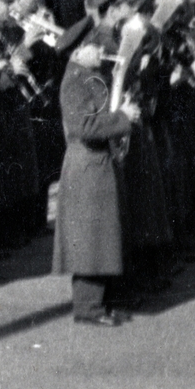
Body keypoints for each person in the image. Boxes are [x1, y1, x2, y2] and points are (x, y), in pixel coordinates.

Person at [51, 31, 136, 326]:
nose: (101, 51)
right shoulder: (76, 81)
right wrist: (122, 117)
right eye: (94, 47)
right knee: (89, 239)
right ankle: (88, 308)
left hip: (96, 162)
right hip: (86, 163)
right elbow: (84, 127)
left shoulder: (87, 75)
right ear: (76, 52)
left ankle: (99, 303)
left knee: (100, 235)